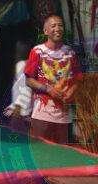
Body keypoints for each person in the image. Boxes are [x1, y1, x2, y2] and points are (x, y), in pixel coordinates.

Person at [24, 15, 82, 144]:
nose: (57, 28)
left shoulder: (70, 53)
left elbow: (78, 79)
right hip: (42, 114)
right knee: (39, 151)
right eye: (53, 26)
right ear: (45, 31)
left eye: (60, 25)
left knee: (61, 152)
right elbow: (29, 80)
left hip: (64, 115)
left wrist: (72, 91)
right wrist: (48, 89)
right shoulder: (37, 51)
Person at [4, 41, 33, 133]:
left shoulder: (22, 65)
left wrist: (18, 108)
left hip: (23, 112)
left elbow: (24, 88)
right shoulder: (22, 65)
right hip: (24, 110)